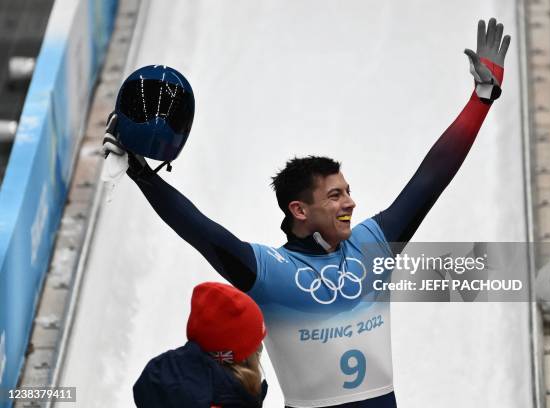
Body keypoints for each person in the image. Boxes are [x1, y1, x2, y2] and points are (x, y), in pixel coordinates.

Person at [106, 18, 510, 408]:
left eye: (348, 192)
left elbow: (431, 177)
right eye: (335, 195)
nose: (350, 202)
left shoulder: (373, 246)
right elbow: (202, 232)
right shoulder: (271, 273)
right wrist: (142, 175)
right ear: (299, 209)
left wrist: (481, 99)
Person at [133, 282, 268, 407]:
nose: (260, 351)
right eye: (256, 347)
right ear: (240, 361)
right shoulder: (228, 400)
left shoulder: (165, 381)